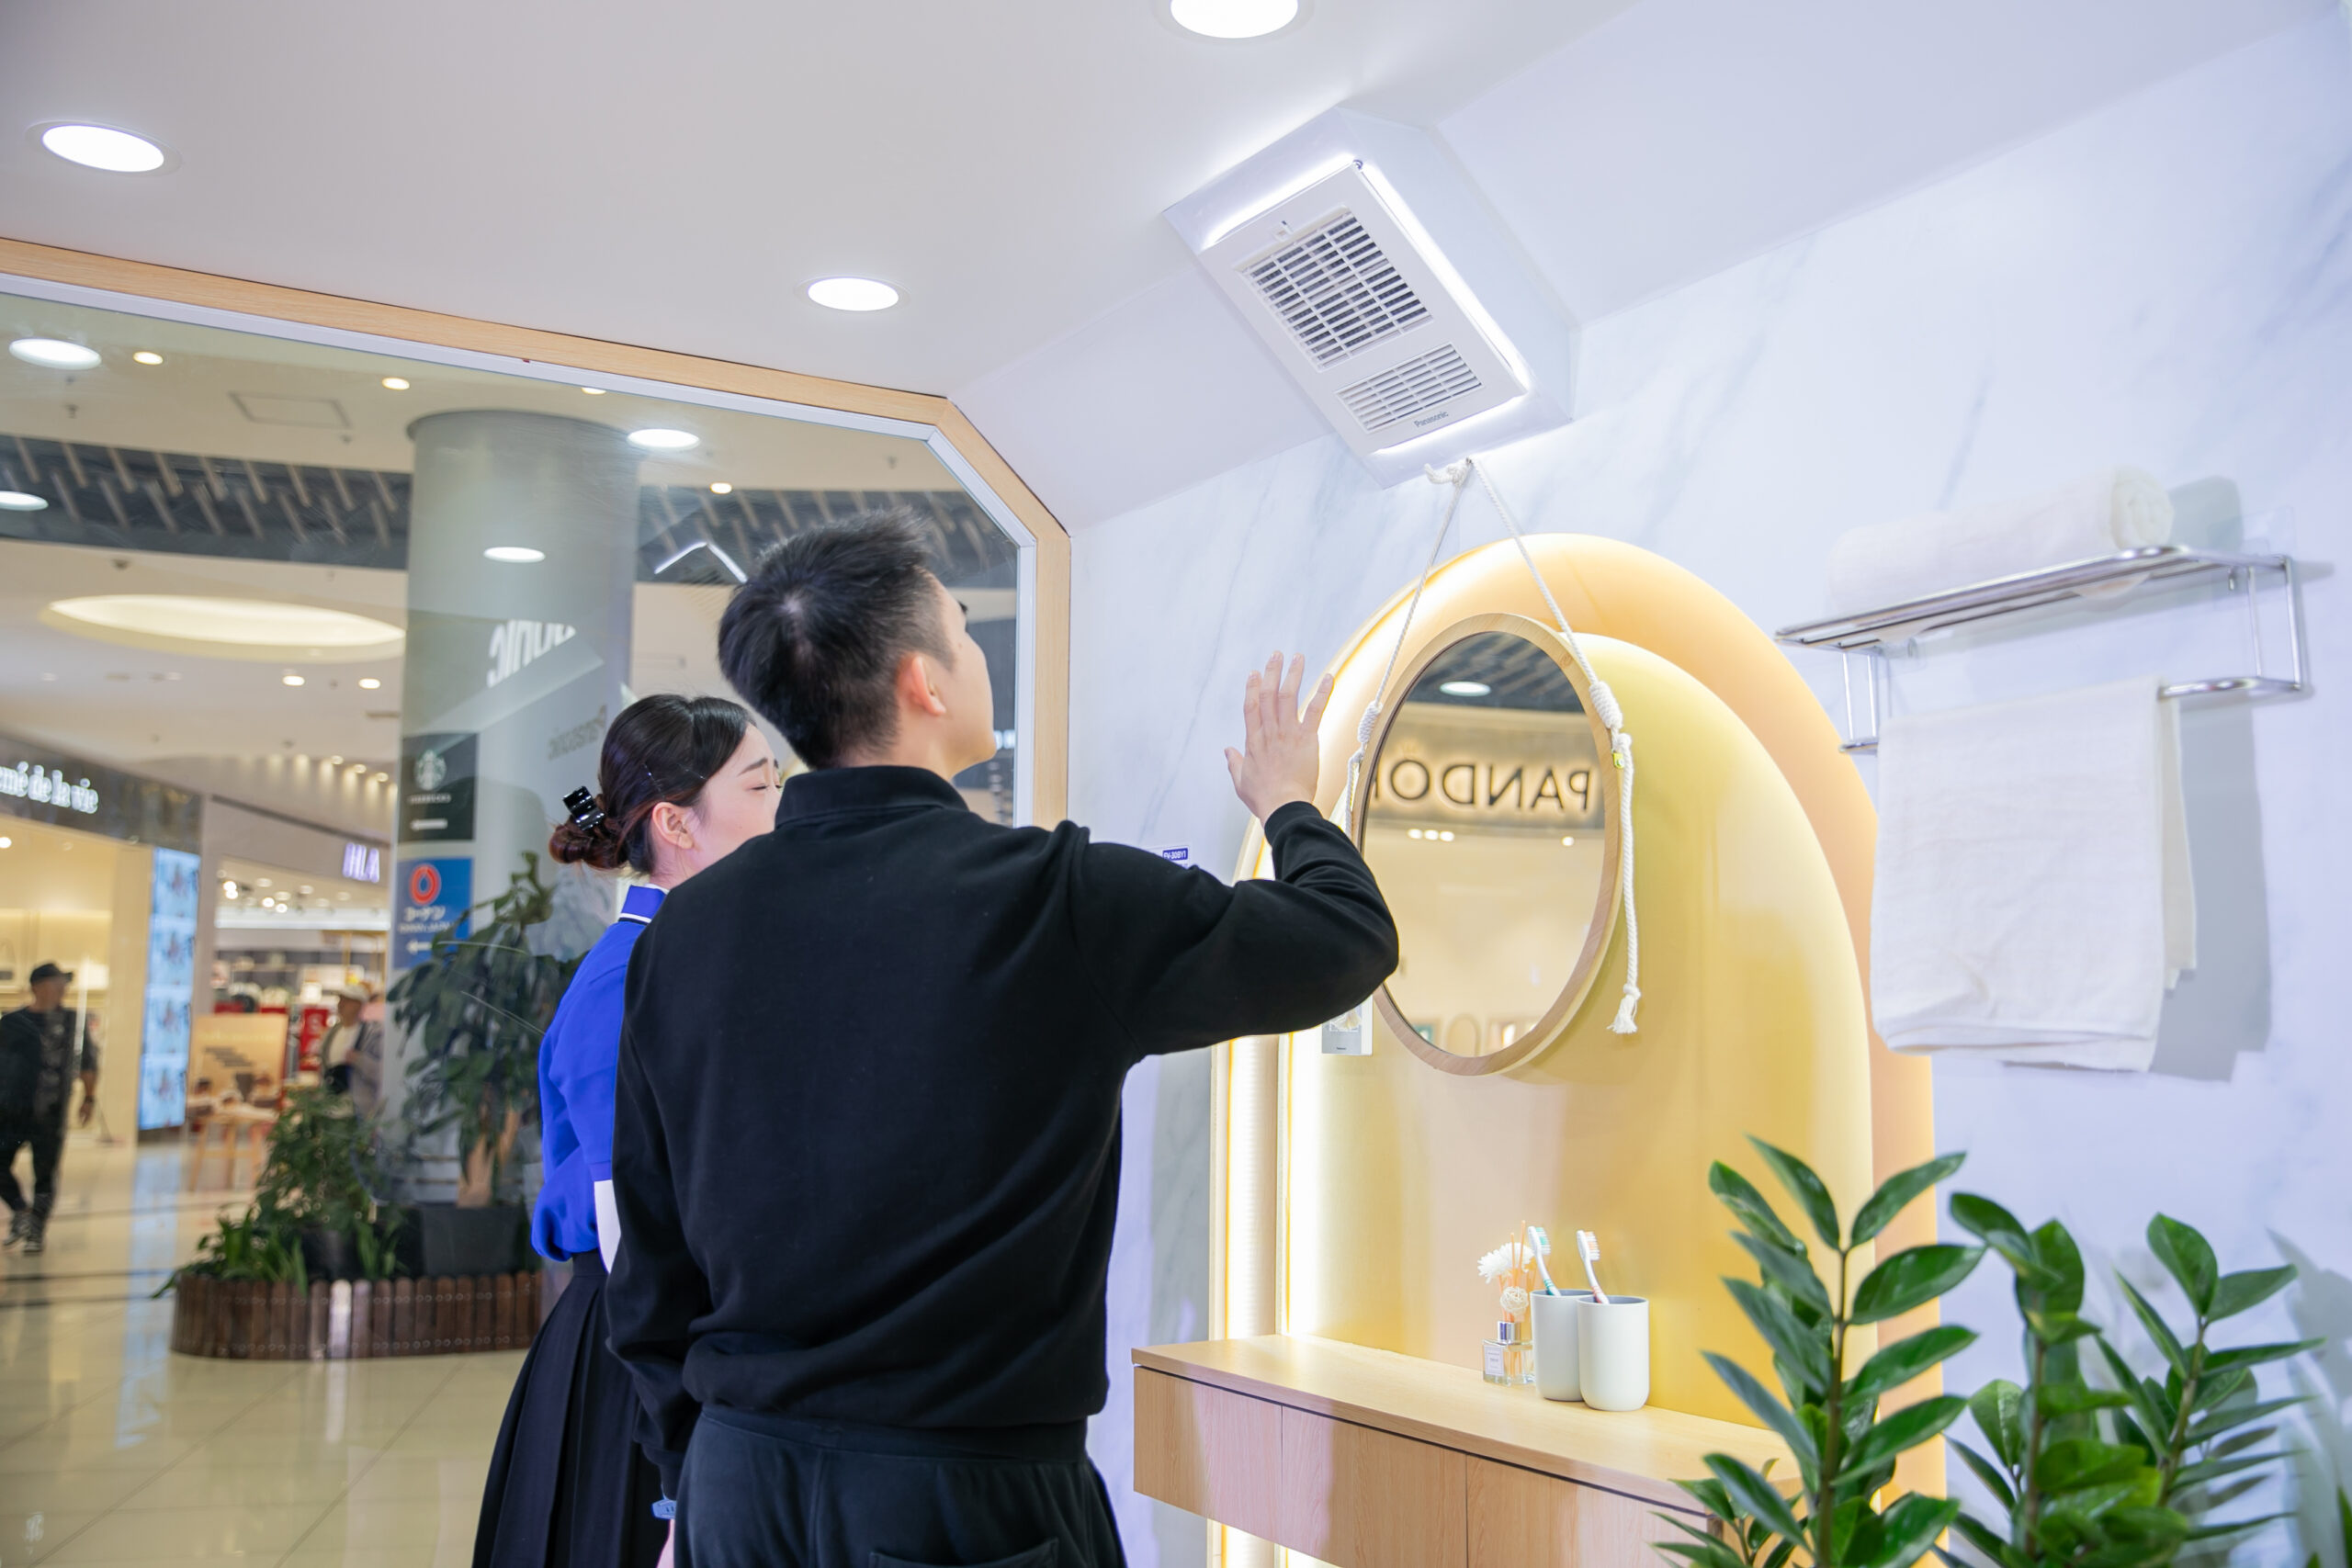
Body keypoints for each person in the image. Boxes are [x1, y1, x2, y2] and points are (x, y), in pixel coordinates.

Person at [606, 513, 1397, 1568]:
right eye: (965, 631)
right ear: (923, 683)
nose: (979, 653)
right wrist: (1292, 805)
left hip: (737, 1486)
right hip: (959, 1500)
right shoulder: (1052, 898)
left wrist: (698, 1472)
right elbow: (1344, 940)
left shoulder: (682, 934)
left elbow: (650, 1269)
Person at [473, 694, 780, 1568]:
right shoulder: (627, 978)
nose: (780, 805)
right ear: (677, 823)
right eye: (759, 785)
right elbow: (629, 1228)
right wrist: (681, 1441)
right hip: (645, 1364)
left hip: (700, 1344)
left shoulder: (701, 955)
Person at [0, 963, 101, 1255]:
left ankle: (36, 1229)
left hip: (50, 1114)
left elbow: (88, 1063)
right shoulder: (12, 1022)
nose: (62, 988)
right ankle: (20, 1210)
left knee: (45, 1174)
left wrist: (89, 1098)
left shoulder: (72, 1022)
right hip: (10, 1112)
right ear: (38, 986)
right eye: (57, 982)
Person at [318, 987, 381, 1095]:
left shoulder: (373, 1034)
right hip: (333, 1098)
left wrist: (359, 1059)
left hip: (360, 1100)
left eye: (347, 1001)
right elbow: (324, 1065)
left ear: (359, 1004)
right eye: (340, 1000)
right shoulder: (331, 1033)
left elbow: (381, 1072)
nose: (341, 1004)